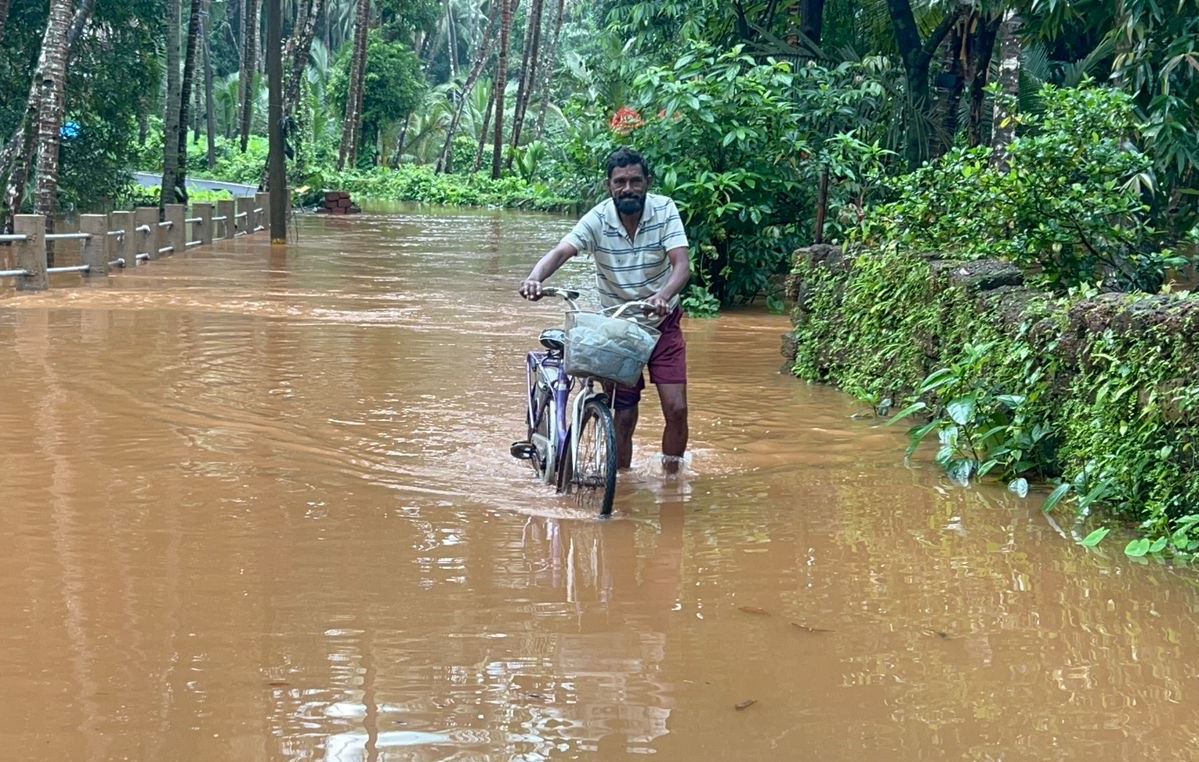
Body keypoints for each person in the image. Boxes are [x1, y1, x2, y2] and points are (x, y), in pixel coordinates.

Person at [519, 147, 690, 473]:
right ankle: (620, 482)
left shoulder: (665, 210)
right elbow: (561, 251)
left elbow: (681, 265)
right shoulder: (598, 219)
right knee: (622, 415)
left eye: (635, 181)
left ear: (647, 182)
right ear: (609, 185)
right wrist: (534, 278)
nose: (628, 188)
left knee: (676, 408)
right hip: (618, 327)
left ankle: (672, 479)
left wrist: (664, 295)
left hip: (662, 322)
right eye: (620, 182)